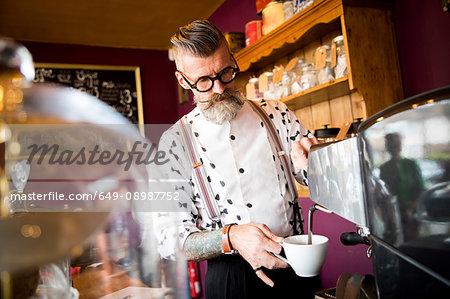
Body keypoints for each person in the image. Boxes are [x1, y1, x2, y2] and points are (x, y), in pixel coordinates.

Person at [155, 20, 320, 298]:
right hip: (231, 279)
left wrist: (316, 167)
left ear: (233, 60)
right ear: (183, 80)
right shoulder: (174, 143)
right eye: (204, 81)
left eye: (226, 72)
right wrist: (230, 237)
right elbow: (168, 241)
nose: (219, 88)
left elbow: (316, 180)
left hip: (296, 263)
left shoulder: (276, 113)